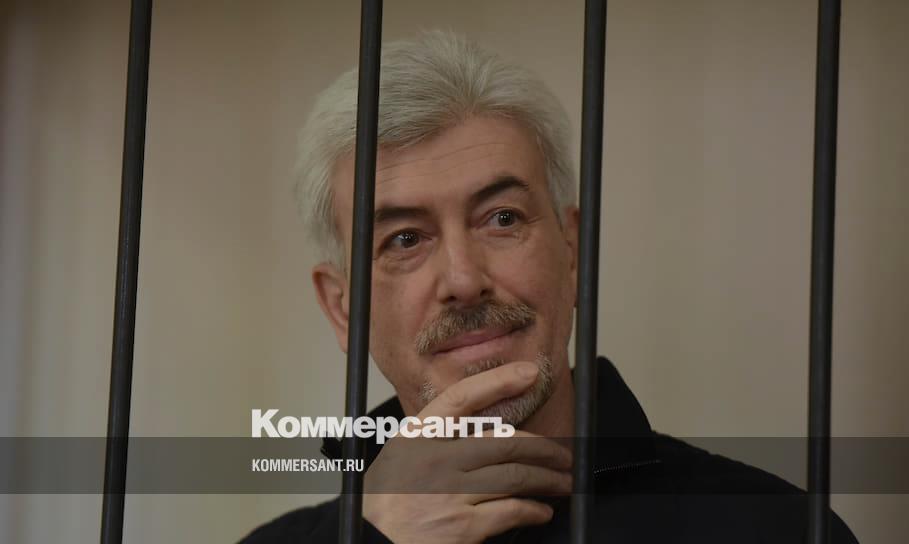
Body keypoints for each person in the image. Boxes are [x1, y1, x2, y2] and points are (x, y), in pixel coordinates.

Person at [242, 30, 857, 543]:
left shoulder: (775, 529)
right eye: (404, 239)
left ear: (573, 255)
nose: (464, 280)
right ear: (342, 309)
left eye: (502, 219)